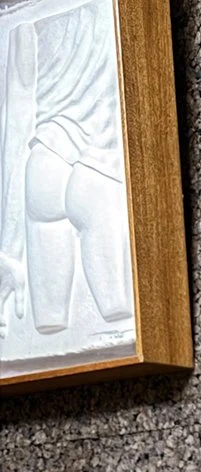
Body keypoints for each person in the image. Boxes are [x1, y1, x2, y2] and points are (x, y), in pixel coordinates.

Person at [0, 0, 133, 346]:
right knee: (119, 326)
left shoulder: (23, 25)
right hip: (99, 170)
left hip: (43, 164)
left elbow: (15, 128)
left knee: (49, 332)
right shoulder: (115, 15)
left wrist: (8, 252)